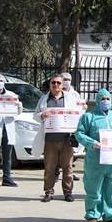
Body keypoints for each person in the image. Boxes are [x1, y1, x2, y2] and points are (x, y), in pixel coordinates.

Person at [75, 89, 112, 222]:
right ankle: (92, 214)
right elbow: (79, 133)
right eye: (102, 99)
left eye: (108, 99)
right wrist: (92, 143)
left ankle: (111, 213)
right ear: (97, 101)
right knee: (93, 187)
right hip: (95, 160)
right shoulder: (89, 117)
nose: (105, 101)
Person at [33, 74, 80, 202]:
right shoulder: (44, 99)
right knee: (49, 168)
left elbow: (78, 115)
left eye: (58, 83)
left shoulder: (70, 98)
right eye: (53, 82)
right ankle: (48, 192)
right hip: (50, 140)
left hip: (66, 140)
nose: (56, 85)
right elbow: (35, 115)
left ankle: (68, 192)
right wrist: (42, 115)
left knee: (67, 167)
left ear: (62, 85)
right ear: (50, 84)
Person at [61, 72, 82, 181]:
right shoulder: (56, 93)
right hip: (59, 125)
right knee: (59, 149)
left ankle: (69, 172)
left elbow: (80, 108)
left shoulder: (75, 94)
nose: (67, 82)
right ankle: (56, 172)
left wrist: (83, 107)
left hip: (71, 125)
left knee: (71, 149)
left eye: (68, 79)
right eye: (64, 79)